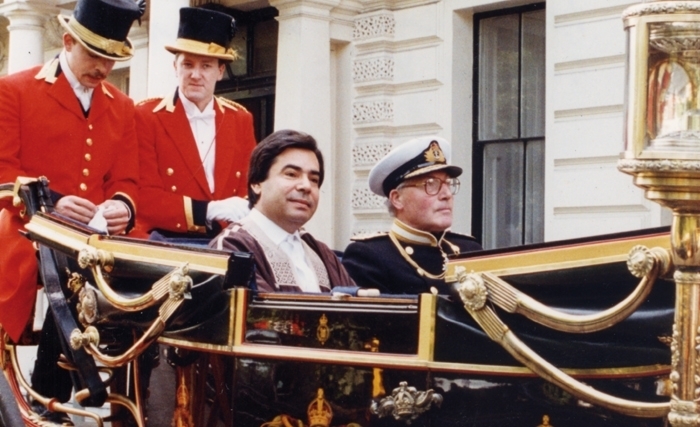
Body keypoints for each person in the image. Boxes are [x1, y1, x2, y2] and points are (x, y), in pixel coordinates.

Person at [0, 0, 145, 423]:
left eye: (111, 59)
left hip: (98, 236)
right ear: (67, 41)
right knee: (70, 270)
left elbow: (128, 183)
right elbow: (3, 172)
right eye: (95, 56)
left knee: (143, 279)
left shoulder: (122, 106)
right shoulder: (14, 90)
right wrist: (52, 202)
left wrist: (122, 206)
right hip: (28, 229)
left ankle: (108, 393)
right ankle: (52, 391)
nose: (103, 69)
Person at [134, 7, 256, 240]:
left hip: (229, 241)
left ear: (220, 72)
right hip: (168, 241)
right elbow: (143, 196)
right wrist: (207, 211)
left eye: (206, 66)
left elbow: (250, 188)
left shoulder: (240, 119)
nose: (196, 74)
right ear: (175, 68)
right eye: (188, 64)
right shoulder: (146, 116)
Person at [210, 130, 356, 293]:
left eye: (314, 180)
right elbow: (262, 316)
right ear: (257, 183)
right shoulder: (233, 245)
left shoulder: (322, 253)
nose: (306, 186)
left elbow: (356, 314)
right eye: (291, 174)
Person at [342, 136, 482, 295]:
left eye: (448, 184)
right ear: (397, 199)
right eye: (431, 184)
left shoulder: (469, 250)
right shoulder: (368, 256)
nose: (447, 194)